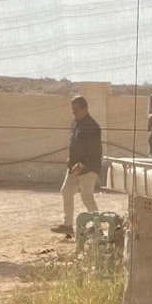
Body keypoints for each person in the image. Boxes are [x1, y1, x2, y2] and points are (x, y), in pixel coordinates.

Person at [53, 95, 103, 236]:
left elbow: (94, 150)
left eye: (76, 109)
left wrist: (82, 165)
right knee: (66, 191)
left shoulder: (93, 126)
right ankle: (68, 225)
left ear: (85, 108)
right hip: (74, 167)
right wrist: (71, 160)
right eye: (73, 109)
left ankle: (97, 228)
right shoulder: (75, 123)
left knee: (87, 197)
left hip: (88, 168)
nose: (73, 112)